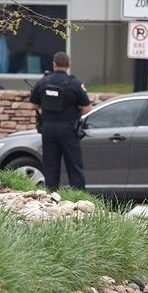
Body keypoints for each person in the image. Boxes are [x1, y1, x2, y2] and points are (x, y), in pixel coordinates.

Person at [30, 52, 91, 191]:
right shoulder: (75, 83)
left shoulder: (42, 82)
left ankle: (51, 198)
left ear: (54, 65)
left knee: (50, 166)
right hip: (69, 128)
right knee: (74, 165)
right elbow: (87, 108)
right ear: (69, 65)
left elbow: (34, 105)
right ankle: (78, 198)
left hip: (48, 128)